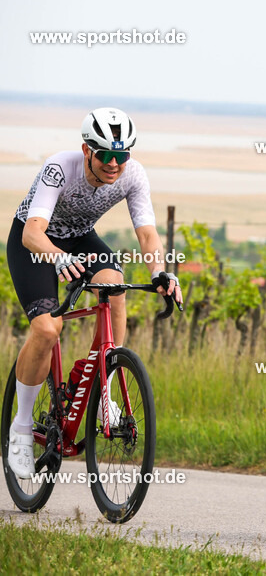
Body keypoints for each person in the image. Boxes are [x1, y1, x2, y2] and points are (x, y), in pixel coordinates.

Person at [6, 108, 182, 479]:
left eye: (123, 155)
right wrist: (56, 260)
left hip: (80, 240)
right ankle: (20, 429)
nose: (115, 164)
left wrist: (159, 271)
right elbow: (32, 233)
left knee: (115, 289)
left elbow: (147, 234)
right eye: (106, 155)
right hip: (35, 242)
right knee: (48, 330)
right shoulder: (60, 168)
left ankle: (105, 391)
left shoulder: (133, 175)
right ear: (86, 150)